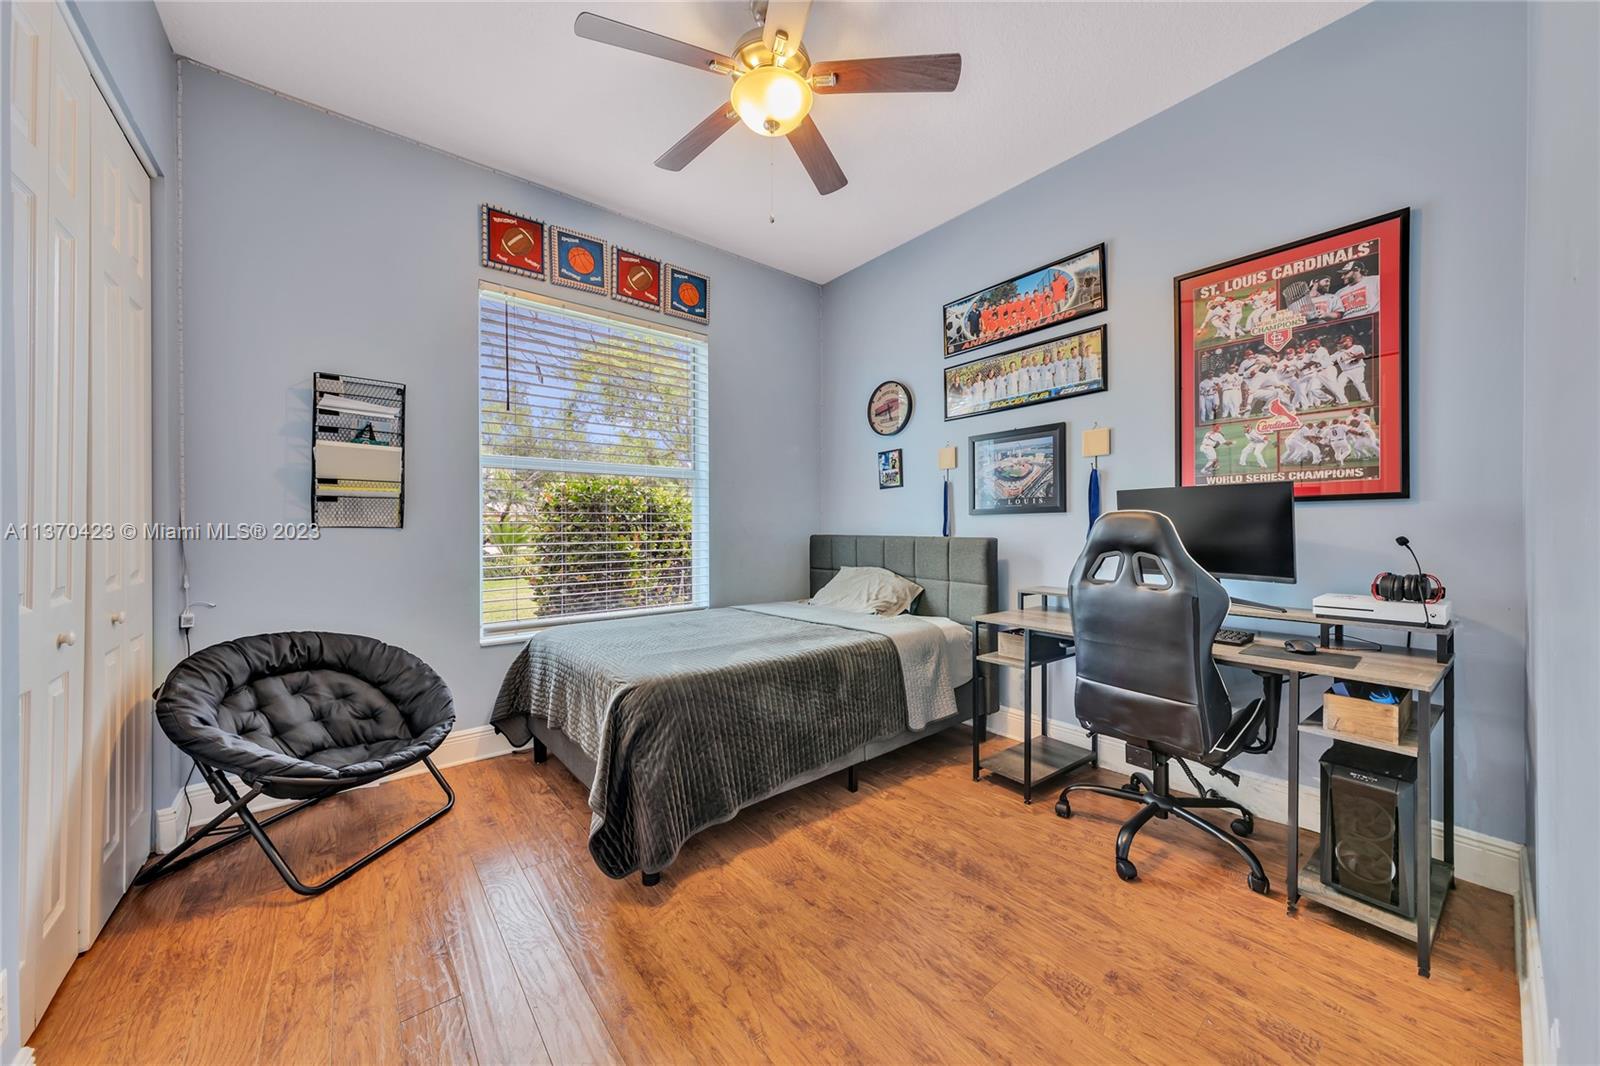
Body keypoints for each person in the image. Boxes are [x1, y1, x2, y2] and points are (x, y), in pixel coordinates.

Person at [1333, 333, 1371, 402]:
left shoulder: (1357, 347)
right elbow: (1329, 359)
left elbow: (1361, 355)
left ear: (1349, 341)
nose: (1342, 344)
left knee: (1358, 383)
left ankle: (1366, 398)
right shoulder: (1339, 352)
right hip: (1345, 371)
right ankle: (1341, 401)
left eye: (1343, 342)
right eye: (1341, 342)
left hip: (1356, 368)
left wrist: (1354, 360)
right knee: (1338, 384)